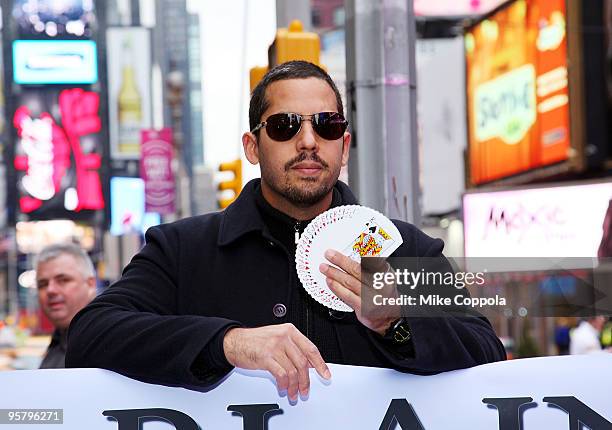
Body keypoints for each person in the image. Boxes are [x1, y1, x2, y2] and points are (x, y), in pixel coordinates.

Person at [67, 61, 505, 400]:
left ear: (345, 146)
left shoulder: (405, 247)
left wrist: (398, 322)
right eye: (285, 126)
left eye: (327, 125)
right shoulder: (183, 249)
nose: (309, 141)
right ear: (252, 147)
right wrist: (226, 343)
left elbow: (487, 351)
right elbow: (91, 336)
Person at [36, 243, 96, 368]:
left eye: (63, 280)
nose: (50, 290)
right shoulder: (59, 342)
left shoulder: (107, 343)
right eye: (42, 284)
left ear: (90, 284)